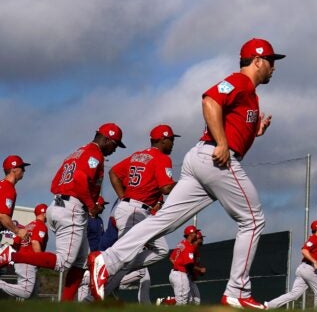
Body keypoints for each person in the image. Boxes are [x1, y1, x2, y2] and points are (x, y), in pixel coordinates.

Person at [90, 38, 285, 309]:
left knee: (163, 222)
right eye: (271, 61)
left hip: (202, 161)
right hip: (213, 159)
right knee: (253, 220)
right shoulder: (240, 82)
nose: (274, 68)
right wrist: (222, 142)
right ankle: (237, 290)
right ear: (258, 61)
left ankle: (106, 261)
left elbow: (234, 125)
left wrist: (255, 131)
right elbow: (210, 100)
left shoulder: (251, 95)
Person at [1, 124, 125, 301]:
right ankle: (13, 255)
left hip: (59, 204)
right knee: (63, 262)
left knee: (81, 262)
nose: (114, 149)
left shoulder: (77, 152)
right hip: (72, 208)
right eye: (114, 144)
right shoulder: (94, 153)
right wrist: (90, 204)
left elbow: (55, 181)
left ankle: (64, 304)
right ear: (106, 139)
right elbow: (80, 179)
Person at [102, 124, 179, 302]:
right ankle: (94, 292)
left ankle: (106, 278)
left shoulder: (138, 155)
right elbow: (166, 188)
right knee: (124, 256)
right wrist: (185, 182)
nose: (173, 143)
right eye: (171, 139)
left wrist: (123, 198)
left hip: (133, 209)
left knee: (160, 249)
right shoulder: (161, 158)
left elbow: (113, 172)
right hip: (137, 211)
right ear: (163, 139)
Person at [264, 220, 317, 309]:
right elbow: (304, 250)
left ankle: (269, 305)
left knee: (294, 294)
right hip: (309, 268)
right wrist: (314, 261)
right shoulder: (314, 238)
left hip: (302, 268)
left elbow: (315, 252)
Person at [0, 204, 47, 299]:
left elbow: (16, 243)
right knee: (25, 292)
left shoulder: (27, 226)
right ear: (45, 213)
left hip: (21, 260)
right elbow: (35, 242)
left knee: (32, 294)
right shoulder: (40, 225)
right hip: (28, 260)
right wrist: (41, 260)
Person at [78, 196, 108, 301]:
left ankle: (89, 303)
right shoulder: (86, 219)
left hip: (98, 256)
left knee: (94, 282)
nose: (103, 208)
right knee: (85, 281)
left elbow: (103, 237)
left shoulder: (99, 220)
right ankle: (82, 304)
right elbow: (82, 238)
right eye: (102, 205)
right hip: (87, 255)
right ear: (96, 205)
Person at [0, 155, 30, 258]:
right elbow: (3, 216)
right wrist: (17, 231)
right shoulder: (8, 187)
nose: (24, 171)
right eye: (22, 168)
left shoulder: (2, 184)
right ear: (13, 169)